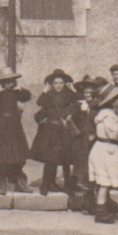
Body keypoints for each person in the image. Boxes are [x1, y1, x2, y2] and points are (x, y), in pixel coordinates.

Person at [31, 69, 80, 197]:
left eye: (61, 83)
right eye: (56, 83)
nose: (58, 85)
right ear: (52, 84)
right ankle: (45, 186)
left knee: (65, 159)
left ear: (65, 84)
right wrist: (45, 89)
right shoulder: (49, 95)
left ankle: (68, 186)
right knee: (50, 159)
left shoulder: (68, 94)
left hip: (64, 130)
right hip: (51, 131)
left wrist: (73, 89)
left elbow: (78, 102)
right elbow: (40, 102)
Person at [87, 91, 118, 224]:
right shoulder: (108, 115)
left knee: (106, 181)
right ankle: (100, 213)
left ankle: (104, 209)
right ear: (113, 101)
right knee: (104, 182)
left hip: (106, 148)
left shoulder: (110, 114)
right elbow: (115, 133)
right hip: (105, 149)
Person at [0, 70, 32, 193]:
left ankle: (19, 182)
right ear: (1, 82)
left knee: (18, 154)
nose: (9, 84)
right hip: (2, 125)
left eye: (11, 81)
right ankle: (2, 182)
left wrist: (20, 89)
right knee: (3, 155)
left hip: (15, 125)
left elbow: (27, 97)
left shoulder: (15, 92)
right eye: (5, 82)